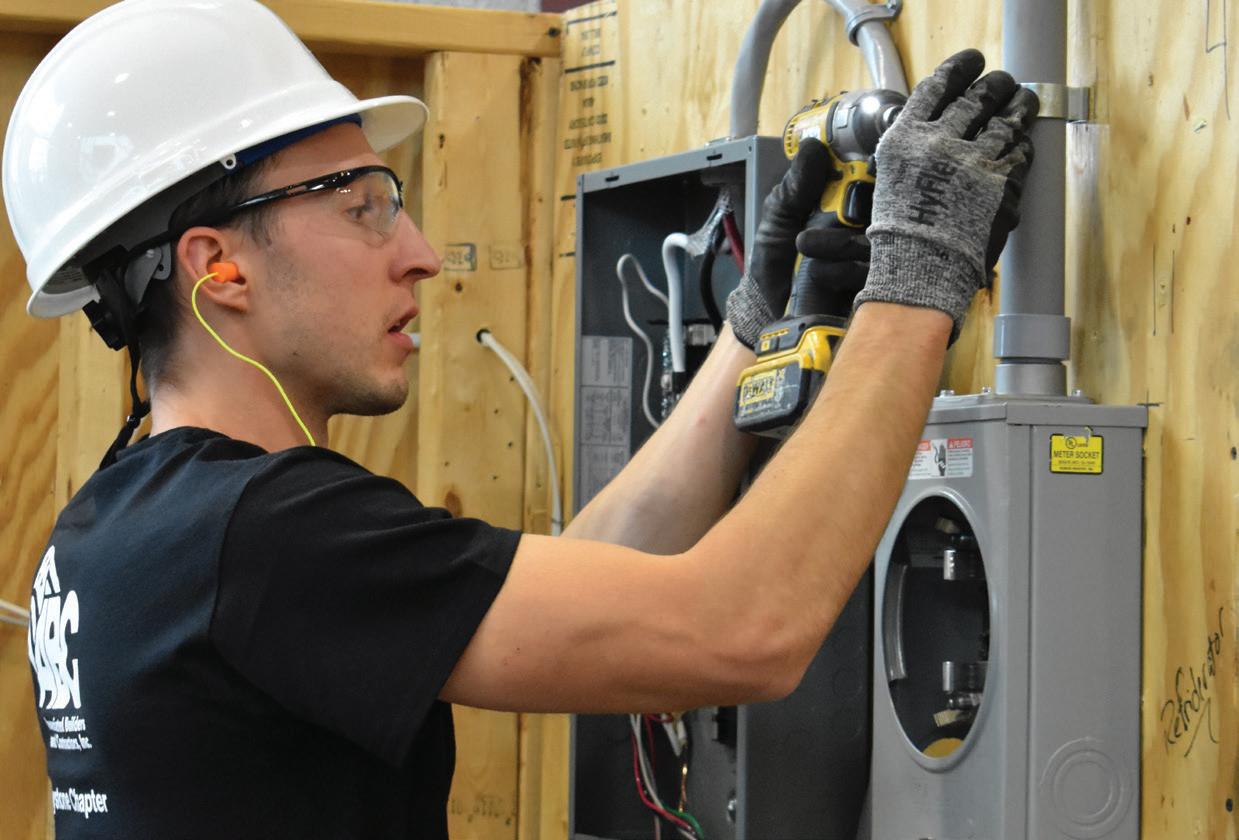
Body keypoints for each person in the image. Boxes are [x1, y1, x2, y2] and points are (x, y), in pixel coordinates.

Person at [5, 0, 1036, 836]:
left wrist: (749, 332)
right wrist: (919, 277)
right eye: (363, 207)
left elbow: (590, 582)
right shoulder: (265, 534)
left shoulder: (124, 523)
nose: (420, 254)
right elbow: (743, 628)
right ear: (217, 267)